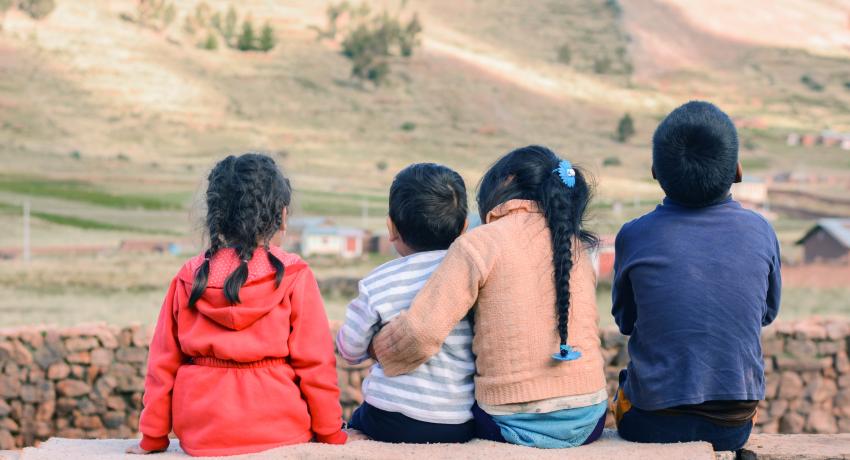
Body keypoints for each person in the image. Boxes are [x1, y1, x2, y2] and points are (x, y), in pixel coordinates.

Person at [373, 146, 608, 449]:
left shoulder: (480, 244)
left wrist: (377, 348)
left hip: (509, 423)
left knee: (445, 413)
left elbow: (421, 332)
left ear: (506, 181)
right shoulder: (576, 245)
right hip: (591, 418)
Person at [128, 154, 346, 456]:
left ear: (215, 215)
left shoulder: (189, 276)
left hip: (201, 436)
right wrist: (330, 433)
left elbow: (162, 366)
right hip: (282, 430)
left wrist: (153, 438)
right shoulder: (296, 274)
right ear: (281, 216)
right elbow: (316, 364)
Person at [611, 101, 781, 451]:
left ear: (655, 171)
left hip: (650, 423)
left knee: (623, 386)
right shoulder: (760, 231)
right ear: (737, 170)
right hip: (733, 425)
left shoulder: (635, 234)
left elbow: (625, 321)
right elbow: (765, 314)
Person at [336, 163, 474, 443]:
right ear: (463, 228)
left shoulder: (380, 280)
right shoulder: (474, 277)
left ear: (391, 227)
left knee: (354, 422)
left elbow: (349, 350)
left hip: (389, 418)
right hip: (459, 420)